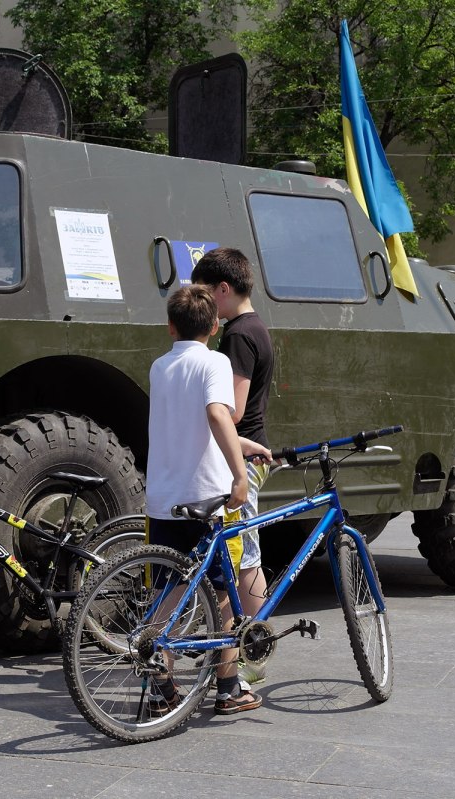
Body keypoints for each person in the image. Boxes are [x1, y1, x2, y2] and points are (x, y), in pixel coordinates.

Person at [146, 284, 271, 716]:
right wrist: (239, 474)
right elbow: (218, 414)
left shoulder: (160, 367)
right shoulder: (216, 361)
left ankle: (159, 683)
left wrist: (243, 444)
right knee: (222, 594)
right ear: (215, 326)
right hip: (207, 498)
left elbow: (188, 424)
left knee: (168, 590)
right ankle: (229, 688)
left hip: (163, 499)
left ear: (170, 327)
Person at [190, 247, 275, 685]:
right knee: (244, 556)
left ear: (223, 289)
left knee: (244, 560)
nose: (203, 303)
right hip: (249, 452)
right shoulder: (254, 326)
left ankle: (248, 658)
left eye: (205, 292)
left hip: (243, 455)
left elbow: (234, 410)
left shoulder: (239, 335)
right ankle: (243, 652)